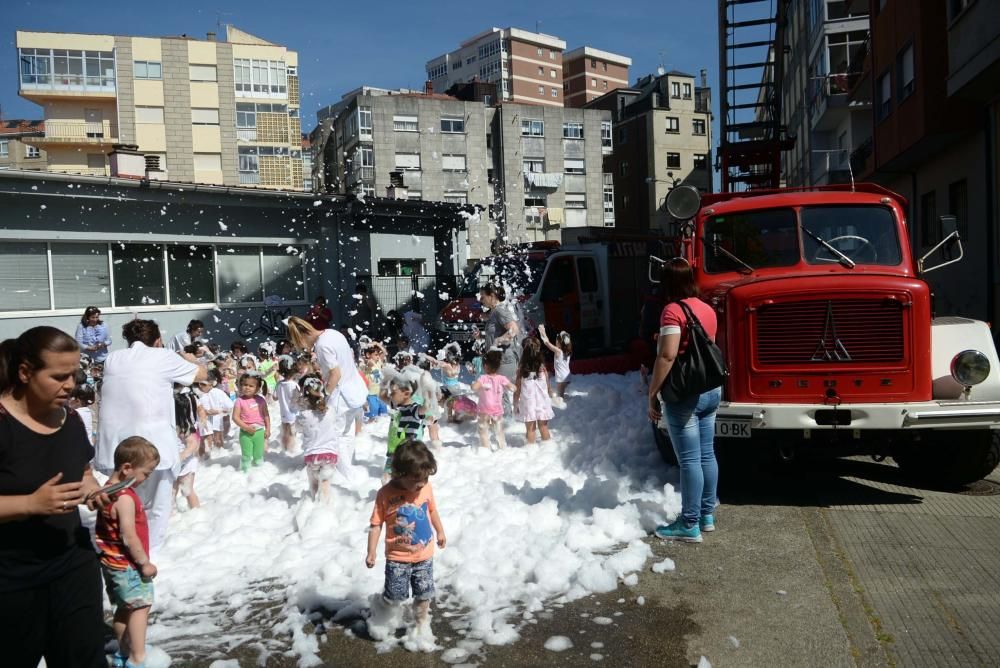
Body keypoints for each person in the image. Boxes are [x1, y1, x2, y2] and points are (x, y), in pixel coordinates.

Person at [0, 326, 109, 667]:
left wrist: (93, 490)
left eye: (74, 375)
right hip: (10, 578)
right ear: (24, 372)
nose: (70, 385)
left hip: (72, 564)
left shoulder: (71, 418)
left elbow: (83, 471)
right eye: (59, 376)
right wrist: (30, 504)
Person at [97, 319, 208, 555]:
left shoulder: (112, 359)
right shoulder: (163, 356)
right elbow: (202, 374)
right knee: (156, 509)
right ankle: (149, 555)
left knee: (120, 507)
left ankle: (121, 553)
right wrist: (190, 359)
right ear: (158, 340)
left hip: (115, 447)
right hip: (153, 445)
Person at [647, 258, 721, 543]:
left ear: (667, 282)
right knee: (706, 455)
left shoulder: (672, 312)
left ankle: (689, 523)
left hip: (684, 395)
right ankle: (706, 515)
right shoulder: (707, 308)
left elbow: (667, 356)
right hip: (710, 391)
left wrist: (652, 394)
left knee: (689, 460)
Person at [366, 440, 446, 640]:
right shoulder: (385, 494)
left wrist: (440, 531)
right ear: (400, 474)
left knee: (424, 594)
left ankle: (421, 627)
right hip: (397, 558)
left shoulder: (425, 488)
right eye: (416, 480)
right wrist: (371, 551)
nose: (421, 484)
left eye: (425, 479)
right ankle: (382, 608)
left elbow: (432, 510)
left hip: (424, 556)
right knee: (395, 596)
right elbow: (376, 524)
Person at [94, 436, 159, 668]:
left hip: (112, 564)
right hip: (130, 566)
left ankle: (123, 652)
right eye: (145, 473)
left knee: (123, 608)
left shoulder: (105, 491)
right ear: (127, 468)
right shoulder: (125, 498)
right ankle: (138, 657)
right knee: (140, 607)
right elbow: (128, 536)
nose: (145, 479)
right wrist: (144, 564)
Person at [285, 316, 369, 485]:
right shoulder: (333, 333)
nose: (300, 348)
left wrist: (323, 394)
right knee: (347, 435)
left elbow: (335, 374)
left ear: (301, 336)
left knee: (334, 438)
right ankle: (348, 471)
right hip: (356, 391)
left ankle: (346, 476)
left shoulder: (322, 346)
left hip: (341, 396)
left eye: (297, 343)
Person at [478, 283, 522, 410]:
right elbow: (496, 333)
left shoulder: (500, 310)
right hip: (496, 360)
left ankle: (505, 425)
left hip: (504, 360)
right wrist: (481, 336)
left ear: (491, 296)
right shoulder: (493, 312)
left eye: (482, 296)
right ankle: (503, 424)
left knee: (498, 395)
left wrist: (498, 341)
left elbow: (514, 329)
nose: (481, 300)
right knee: (497, 395)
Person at [295, 375, 339, 502]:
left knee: (313, 482)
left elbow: (297, 429)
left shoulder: (304, 415)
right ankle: (324, 506)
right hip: (330, 453)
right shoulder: (330, 412)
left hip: (312, 454)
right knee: (325, 481)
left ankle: (314, 501)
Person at [380, 375, 426, 480]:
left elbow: (423, 409)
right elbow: (382, 396)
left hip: (409, 453)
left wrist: (429, 396)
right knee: (387, 479)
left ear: (406, 393)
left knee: (409, 477)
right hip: (394, 450)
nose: (390, 394)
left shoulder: (413, 409)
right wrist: (385, 380)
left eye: (393, 392)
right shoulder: (396, 405)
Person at [471, 350, 514, 450]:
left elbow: (474, 388)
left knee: (483, 430)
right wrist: (510, 387)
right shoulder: (501, 378)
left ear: (485, 366)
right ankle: (502, 447)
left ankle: (485, 448)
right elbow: (513, 387)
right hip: (497, 410)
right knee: (499, 431)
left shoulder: (483, 378)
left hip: (484, 410)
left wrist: (473, 385)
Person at [514, 338, 554, 444]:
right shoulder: (542, 369)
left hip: (528, 404)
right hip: (542, 403)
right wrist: (550, 395)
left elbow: (517, 390)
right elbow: (548, 387)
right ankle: (548, 450)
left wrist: (515, 404)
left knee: (530, 430)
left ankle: (531, 453)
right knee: (544, 427)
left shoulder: (521, 371)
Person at [232, 372, 270, 472]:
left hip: (259, 432)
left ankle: (258, 473)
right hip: (245, 433)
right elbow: (235, 417)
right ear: (240, 386)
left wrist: (268, 429)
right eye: (245, 385)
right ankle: (245, 472)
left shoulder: (261, 400)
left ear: (257, 388)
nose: (247, 388)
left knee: (258, 454)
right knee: (246, 454)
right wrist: (246, 428)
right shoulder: (239, 401)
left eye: (251, 386)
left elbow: (266, 416)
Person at [173, 387, 204, 509]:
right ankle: (172, 515)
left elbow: (193, 444)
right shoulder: (167, 426)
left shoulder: (183, 427)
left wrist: (180, 457)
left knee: (187, 491)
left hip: (186, 462)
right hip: (173, 463)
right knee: (171, 491)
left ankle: (196, 513)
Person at [539, 324, 572, 399]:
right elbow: (547, 341)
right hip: (567, 376)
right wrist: (543, 333)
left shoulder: (558, 351)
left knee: (560, 396)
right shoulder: (567, 351)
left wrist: (542, 332)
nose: (555, 341)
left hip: (561, 378)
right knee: (561, 394)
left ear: (559, 343)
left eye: (557, 340)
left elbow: (547, 343)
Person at [276, 356, 301, 453]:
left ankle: (284, 447)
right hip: (293, 413)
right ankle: (291, 450)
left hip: (283, 413)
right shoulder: (294, 385)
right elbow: (298, 399)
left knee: (285, 432)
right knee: (292, 433)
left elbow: (275, 397)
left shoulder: (279, 384)